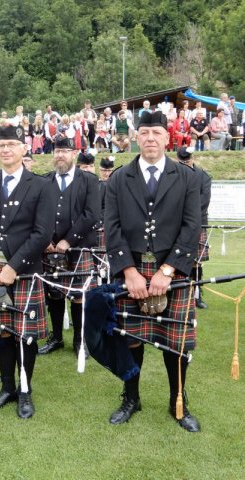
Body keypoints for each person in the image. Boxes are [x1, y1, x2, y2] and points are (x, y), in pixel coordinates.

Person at [104, 111, 201, 432]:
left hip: (171, 270)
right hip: (130, 269)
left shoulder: (186, 177)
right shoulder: (119, 178)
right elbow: (112, 227)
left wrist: (168, 270)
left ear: (167, 138)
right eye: (144, 132)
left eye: (156, 133)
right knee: (130, 339)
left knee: (176, 343)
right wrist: (129, 271)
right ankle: (131, 398)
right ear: (135, 137)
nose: (149, 138)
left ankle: (179, 402)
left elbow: (192, 227)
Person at [0, 125, 55, 419]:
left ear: (24, 149)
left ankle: (25, 390)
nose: (6, 150)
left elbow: (43, 233)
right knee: (2, 332)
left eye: (12, 145)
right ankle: (7, 388)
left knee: (25, 336)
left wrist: (13, 267)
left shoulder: (41, 185)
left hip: (24, 273)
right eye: (1, 145)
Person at [38, 137, 100, 357]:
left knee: (79, 294)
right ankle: (56, 338)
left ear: (74, 153)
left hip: (78, 247)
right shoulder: (44, 181)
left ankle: (79, 340)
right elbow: (37, 213)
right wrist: (46, 240)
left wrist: (68, 241)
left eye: (64, 151)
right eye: (57, 151)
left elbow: (91, 214)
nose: (60, 155)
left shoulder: (90, 180)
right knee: (53, 293)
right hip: (49, 248)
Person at [177, 146, 212, 309]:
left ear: (193, 158)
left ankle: (197, 296)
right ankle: (179, 294)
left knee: (196, 263)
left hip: (197, 224)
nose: (185, 164)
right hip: (176, 224)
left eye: (188, 161)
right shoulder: (172, 175)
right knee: (177, 260)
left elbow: (203, 202)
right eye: (182, 162)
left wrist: (187, 217)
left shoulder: (203, 176)